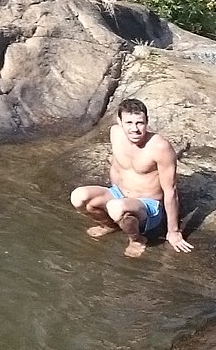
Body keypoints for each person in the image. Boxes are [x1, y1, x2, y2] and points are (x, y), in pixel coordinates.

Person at [70, 98, 194, 257]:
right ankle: (110, 225)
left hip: (147, 206)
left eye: (140, 123)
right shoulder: (115, 133)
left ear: (147, 122)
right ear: (119, 121)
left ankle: (136, 239)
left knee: (117, 207)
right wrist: (113, 194)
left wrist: (173, 231)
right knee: (78, 197)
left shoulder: (160, 147)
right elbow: (116, 167)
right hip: (119, 194)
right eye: (129, 123)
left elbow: (171, 191)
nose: (134, 129)